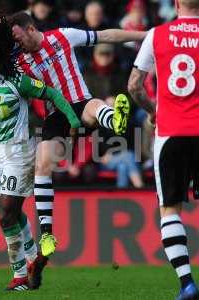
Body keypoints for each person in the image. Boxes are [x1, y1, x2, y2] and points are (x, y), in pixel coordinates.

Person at [9, 12, 146, 257]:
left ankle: (116, 120)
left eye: (19, 38)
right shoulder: (20, 60)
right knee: (42, 164)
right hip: (56, 116)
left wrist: (146, 35)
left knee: (93, 105)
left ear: (30, 28)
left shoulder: (63, 36)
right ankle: (47, 234)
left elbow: (106, 35)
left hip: (80, 102)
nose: (17, 44)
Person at [0, 13, 81, 291]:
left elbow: (53, 94)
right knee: (14, 214)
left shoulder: (16, 82)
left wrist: (73, 120)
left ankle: (19, 275)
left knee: (5, 214)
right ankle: (32, 259)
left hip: (20, 151)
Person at [128, 0, 199, 299]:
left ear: (176, 4)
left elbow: (134, 85)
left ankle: (187, 284)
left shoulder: (156, 34)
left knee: (170, 209)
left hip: (171, 133)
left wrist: (153, 110)